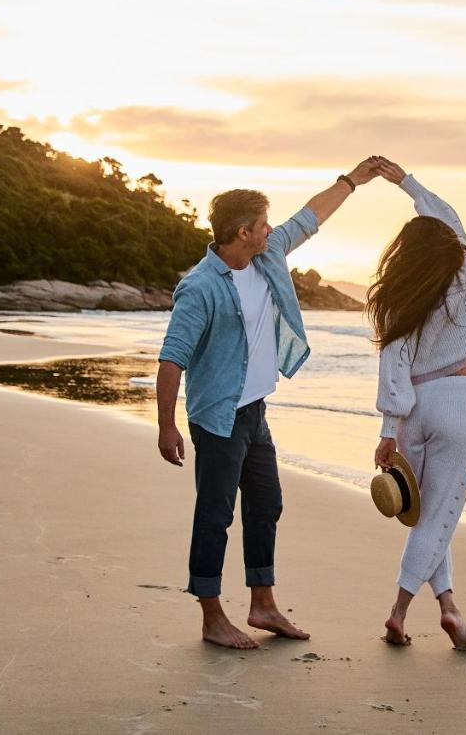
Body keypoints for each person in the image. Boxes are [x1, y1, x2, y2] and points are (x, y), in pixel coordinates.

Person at [156, 158, 382, 649]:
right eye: (263, 224)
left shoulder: (267, 255)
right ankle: (213, 616)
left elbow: (310, 217)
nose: (272, 230)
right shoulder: (200, 288)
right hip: (217, 415)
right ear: (244, 232)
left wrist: (351, 181)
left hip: (255, 410)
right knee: (215, 515)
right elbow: (172, 359)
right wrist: (166, 426)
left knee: (267, 504)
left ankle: (262, 605)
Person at [367, 156, 466, 653]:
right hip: (455, 400)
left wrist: (389, 428)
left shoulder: (401, 296)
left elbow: (393, 364)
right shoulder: (462, 274)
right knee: (439, 515)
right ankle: (398, 612)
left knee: (427, 513)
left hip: (413, 408)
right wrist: (408, 184)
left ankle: (450, 608)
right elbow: (449, 217)